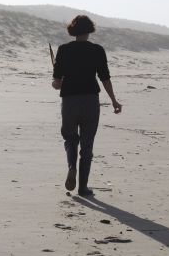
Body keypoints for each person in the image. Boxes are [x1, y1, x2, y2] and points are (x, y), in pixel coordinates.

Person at [52, 15, 122, 196]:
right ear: (90, 30)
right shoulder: (97, 50)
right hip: (91, 100)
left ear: (72, 30)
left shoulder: (63, 50)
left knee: (70, 138)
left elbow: (57, 83)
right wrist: (114, 100)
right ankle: (83, 187)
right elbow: (105, 77)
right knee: (87, 144)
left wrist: (56, 81)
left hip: (70, 101)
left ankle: (71, 167)